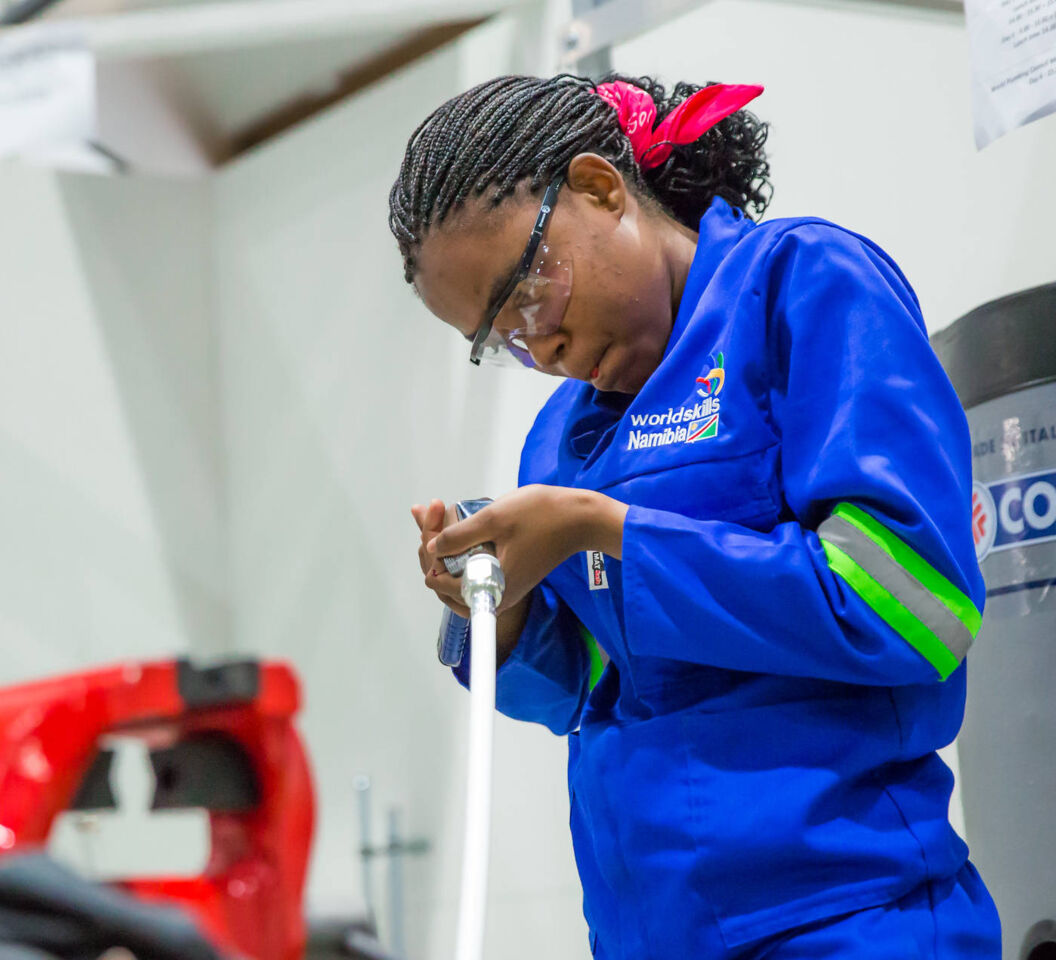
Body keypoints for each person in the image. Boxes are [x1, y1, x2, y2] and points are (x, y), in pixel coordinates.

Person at [389, 74, 1002, 959]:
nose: (542, 350)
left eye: (528, 294)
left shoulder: (801, 285)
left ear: (600, 189)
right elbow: (593, 687)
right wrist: (503, 610)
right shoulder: (562, 441)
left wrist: (607, 532)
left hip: (847, 920)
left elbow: (915, 605)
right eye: (503, 341)